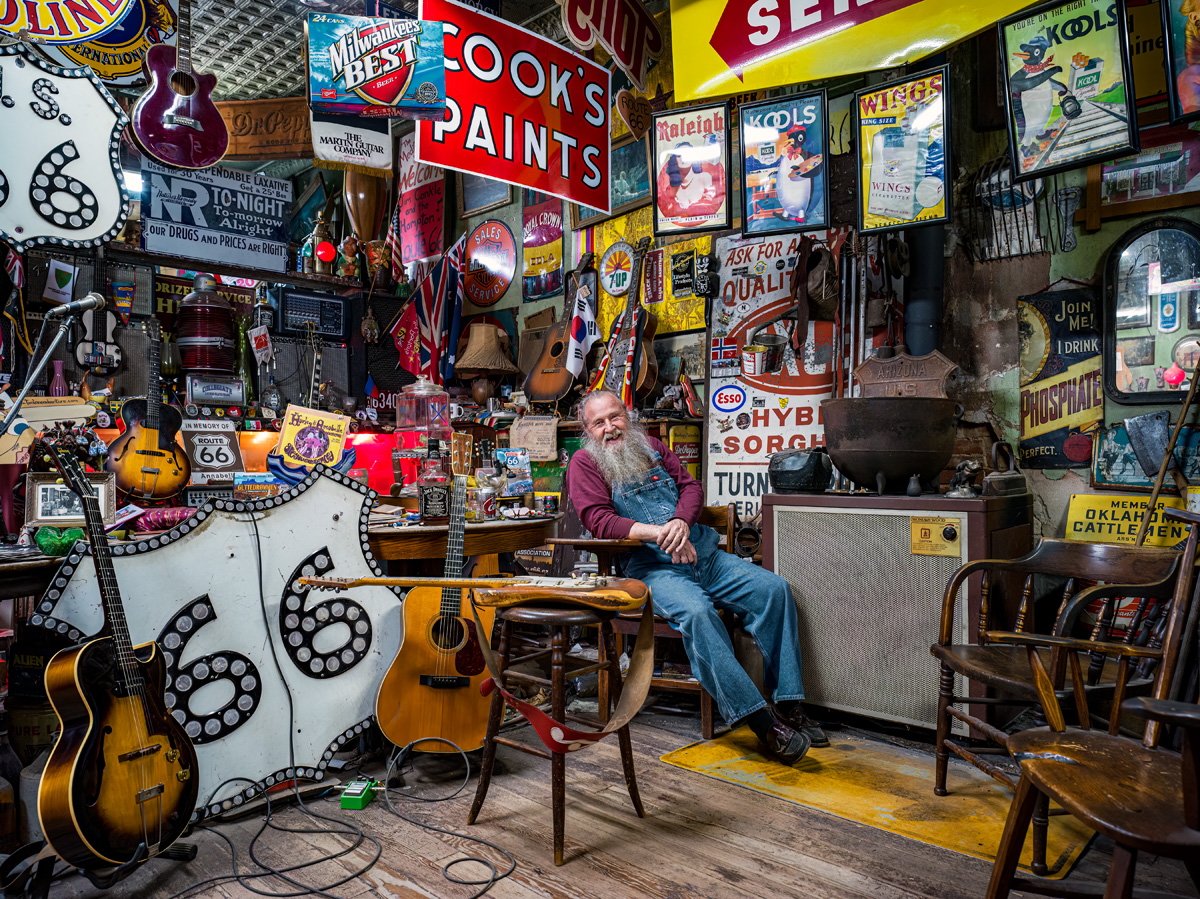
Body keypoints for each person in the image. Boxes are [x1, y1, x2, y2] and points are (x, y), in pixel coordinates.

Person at [565, 389, 827, 764]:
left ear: (628, 415)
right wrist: (660, 534)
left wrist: (681, 523)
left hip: (705, 555)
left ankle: (788, 704)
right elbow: (599, 520)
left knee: (774, 590)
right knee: (698, 613)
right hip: (654, 568)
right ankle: (762, 722)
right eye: (599, 422)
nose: (610, 428)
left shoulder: (652, 446)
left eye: (615, 416)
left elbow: (691, 487)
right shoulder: (585, 464)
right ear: (588, 430)